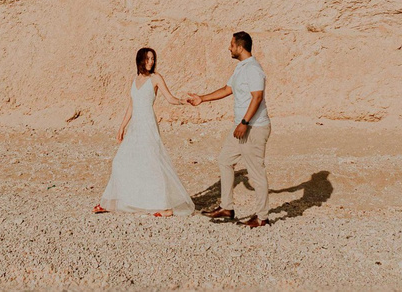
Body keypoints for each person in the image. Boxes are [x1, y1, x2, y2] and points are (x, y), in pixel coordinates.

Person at [184, 30, 271, 227]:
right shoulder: (241, 68)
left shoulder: (254, 69)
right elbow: (227, 89)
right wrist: (201, 99)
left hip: (253, 127)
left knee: (256, 172)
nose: (229, 48)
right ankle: (227, 207)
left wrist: (244, 122)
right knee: (225, 160)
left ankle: (262, 217)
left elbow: (257, 97)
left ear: (240, 47)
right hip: (241, 126)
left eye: (231, 45)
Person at [94, 46, 194, 216]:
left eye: (153, 59)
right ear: (140, 60)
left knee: (152, 163)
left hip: (148, 124)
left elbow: (169, 98)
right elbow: (131, 106)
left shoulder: (156, 78)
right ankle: (117, 201)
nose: (151, 62)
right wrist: (122, 126)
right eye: (147, 59)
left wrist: (182, 101)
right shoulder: (135, 79)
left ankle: (165, 208)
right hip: (135, 126)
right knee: (122, 161)